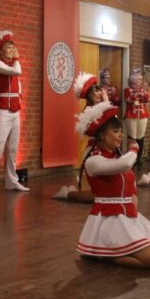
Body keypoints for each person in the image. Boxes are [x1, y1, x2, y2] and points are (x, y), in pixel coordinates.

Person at [75, 101, 150, 268]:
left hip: (129, 215)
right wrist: (134, 150)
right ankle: (101, 254)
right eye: (115, 131)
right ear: (101, 135)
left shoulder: (116, 157)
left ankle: (109, 251)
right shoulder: (93, 161)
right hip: (109, 219)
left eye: (121, 131)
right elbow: (125, 165)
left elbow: (127, 180)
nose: (120, 135)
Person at [0, 30, 29, 196]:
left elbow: (18, 81)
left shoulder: (12, 65)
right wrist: (16, 59)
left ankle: (12, 181)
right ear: (0, 51)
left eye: (12, 47)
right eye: (8, 48)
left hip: (15, 110)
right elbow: (16, 72)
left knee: (12, 149)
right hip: (2, 110)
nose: (12, 50)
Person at [54, 72, 107, 202]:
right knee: (98, 196)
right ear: (88, 95)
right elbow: (104, 125)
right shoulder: (87, 112)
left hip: (107, 150)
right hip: (95, 151)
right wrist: (106, 103)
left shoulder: (103, 107)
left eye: (100, 91)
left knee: (108, 192)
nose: (99, 94)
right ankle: (68, 194)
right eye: (96, 92)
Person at [123, 70, 150, 164]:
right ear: (133, 80)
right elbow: (129, 99)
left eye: (141, 80)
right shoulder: (127, 89)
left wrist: (144, 93)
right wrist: (137, 94)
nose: (140, 81)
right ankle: (132, 158)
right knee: (132, 137)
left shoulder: (143, 90)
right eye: (138, 80)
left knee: (141, 136)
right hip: (132, 115)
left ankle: (138, 158)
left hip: (142, 115)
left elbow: (147, 99)